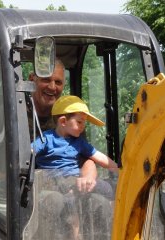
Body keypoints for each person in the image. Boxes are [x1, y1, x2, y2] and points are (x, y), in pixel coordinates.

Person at [31, 95, 118, 240]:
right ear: (63, 121)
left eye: (84, 123)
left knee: (102, 190)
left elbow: (99, 157)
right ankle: (74, 234)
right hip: (50, 180)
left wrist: (119, 170)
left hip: (73, 179)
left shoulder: (79, 142)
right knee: (64, 198)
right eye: (79, 122)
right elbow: (30, 152)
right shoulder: (46, 138)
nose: (83, 126)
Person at [27, 59, 98, 193]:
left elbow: (87, 159)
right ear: (32, 79)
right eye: (46, 80)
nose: (52, 87)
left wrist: (88, 177)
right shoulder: (13, 115)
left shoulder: (72, 118)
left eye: (58, 82)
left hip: (67, 191)